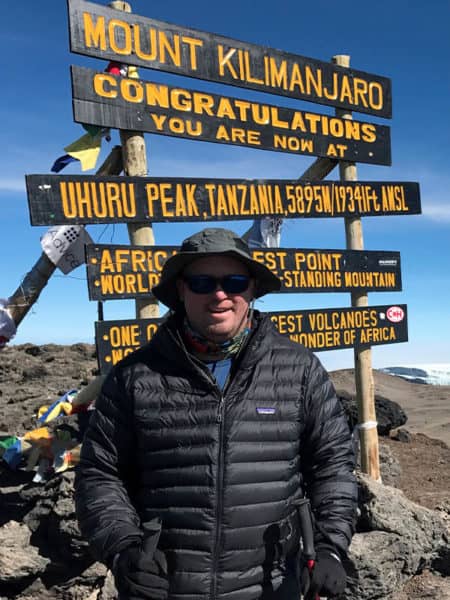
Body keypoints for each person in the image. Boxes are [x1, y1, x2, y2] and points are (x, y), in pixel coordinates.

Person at [75, 227, 357, 600]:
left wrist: (330, 547)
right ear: (181, 290)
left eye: (235, 281)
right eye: (203, 282)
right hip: (164, 590)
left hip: (273, 586)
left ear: (252, 289)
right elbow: (100, 473)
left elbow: (333, 465)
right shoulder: (134, 376)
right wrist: (123, 548)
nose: (221, 294)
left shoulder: (300, 369)